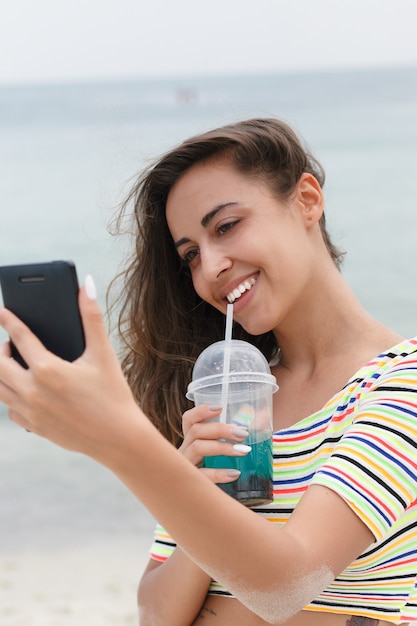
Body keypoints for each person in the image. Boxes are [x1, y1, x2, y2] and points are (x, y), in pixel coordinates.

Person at [0, 118, 416, 626]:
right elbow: (156, 615)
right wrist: (200, 487)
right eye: (191, 255)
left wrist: (120, 440)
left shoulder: (401, 383)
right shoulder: (232, 400)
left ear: (307, 200)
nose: (211, 266)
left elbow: (288, 588)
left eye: (226, 226)